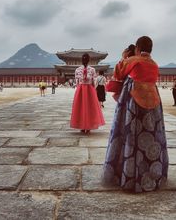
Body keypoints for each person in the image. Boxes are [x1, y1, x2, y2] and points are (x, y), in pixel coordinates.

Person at [103, 36, 169, 193]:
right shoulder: (154, 64)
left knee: (130, 135)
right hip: (153, 103)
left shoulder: (133, 60)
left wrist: (124, 57)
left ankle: (128, 174)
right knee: (151, 135)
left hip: (134, 102)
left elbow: (118, 73)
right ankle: (152, 172)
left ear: (138, 48)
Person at [70, 53, 105, 134]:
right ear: (89, 60)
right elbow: (94, 82)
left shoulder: (77, 69)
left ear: (81, 60)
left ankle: (82, 126)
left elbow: (77, 82)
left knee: (80, 107)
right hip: (89, 89)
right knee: (90, 107)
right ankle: (88, 126)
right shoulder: (92, 69)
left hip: (81, 89)